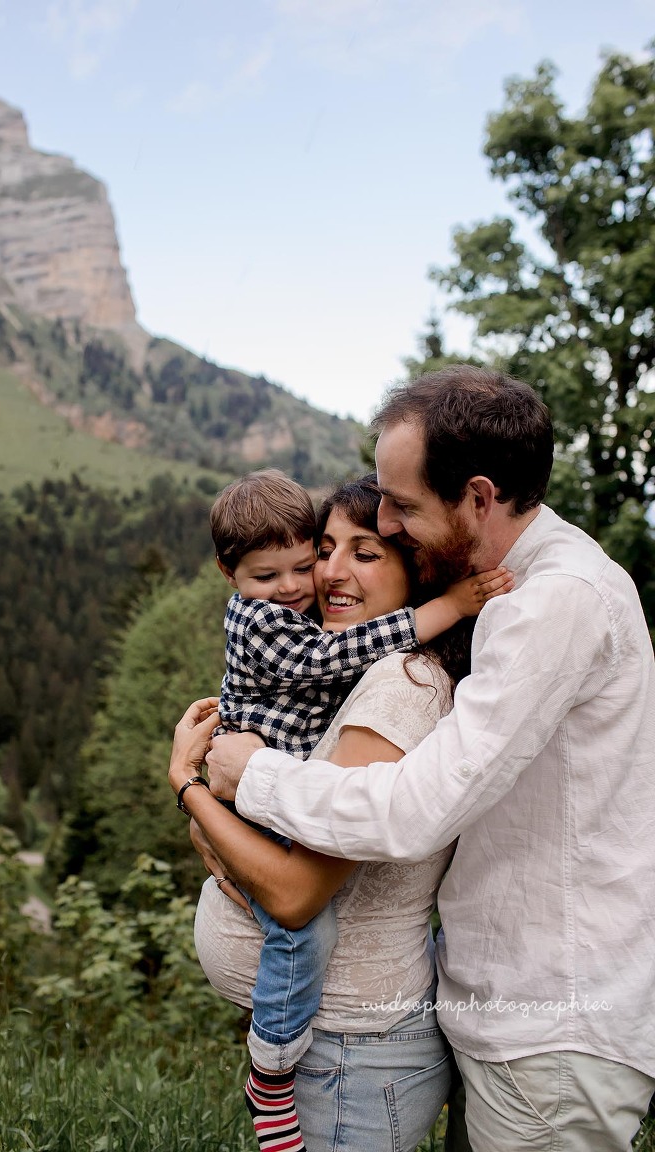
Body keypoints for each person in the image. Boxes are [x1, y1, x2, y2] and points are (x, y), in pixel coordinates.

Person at [206, 366, 655, 1152]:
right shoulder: (528, 592)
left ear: (478, 498)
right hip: (503, 1015)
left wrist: (245, 776)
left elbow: (411, 810)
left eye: (402, 508)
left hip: (553, 1026)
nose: (387, 519)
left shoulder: (558, 601)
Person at [170, 474, 500, 1152]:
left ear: (418, 565)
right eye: (325, 548)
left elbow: (294, 896)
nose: (326, 574)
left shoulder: (400, 686)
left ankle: (268, 1071)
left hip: (355, 1049)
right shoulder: (351, 664)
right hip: (339, 1043)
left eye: (366, 552)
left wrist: (187, 785)